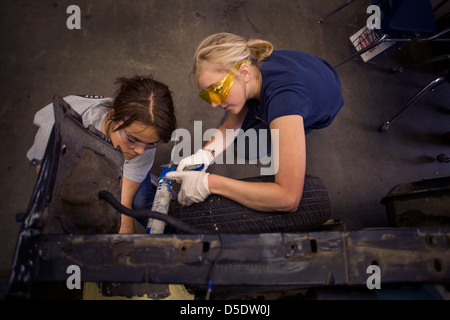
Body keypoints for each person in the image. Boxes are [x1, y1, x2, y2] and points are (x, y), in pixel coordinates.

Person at [167, 32, 344, 213]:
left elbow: (288, 198)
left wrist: (210, 184)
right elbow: (229, 127)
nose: (213, 103)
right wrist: (204, 155)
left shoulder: (285, 104)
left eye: (217, 89)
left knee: (251, 147)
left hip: (325, 98)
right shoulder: (252, 67)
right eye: (207, 94)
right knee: (236, 121)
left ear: (244, 72)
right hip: (313, 70)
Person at [26, 75, 177, 233]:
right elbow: (48, 191)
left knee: (140, 201)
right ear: (112, 115)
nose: (140, 151)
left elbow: (122, 207)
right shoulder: (56, 130)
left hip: (117, 162)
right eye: (133, 139)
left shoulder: (142, 140)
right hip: (72, 160)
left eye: (152, 144)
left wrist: (125, 250)